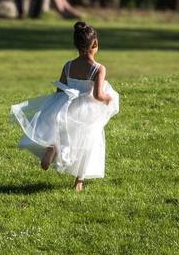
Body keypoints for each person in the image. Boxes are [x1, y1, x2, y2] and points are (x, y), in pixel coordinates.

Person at [9, 21, 120, 191]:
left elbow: (59, 90)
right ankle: (79, 181)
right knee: (88, 142)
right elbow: (97, 94)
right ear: (95, 43)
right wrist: (108, 98)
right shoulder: (98, 68)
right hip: (87, 110)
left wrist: (56, 108)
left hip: (67, 105)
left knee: (64, 134)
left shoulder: (68, 66)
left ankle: (53, 147)